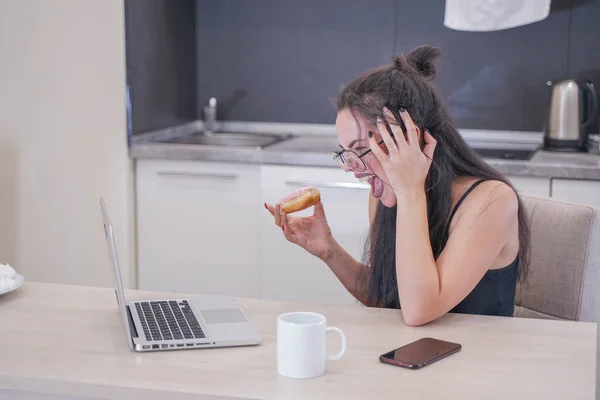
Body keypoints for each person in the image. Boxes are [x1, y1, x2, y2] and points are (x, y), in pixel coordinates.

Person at [265, 45, 530, 326]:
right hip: (412, 358)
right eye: (345, 154)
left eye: (360, 150)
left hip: (483, 363)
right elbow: (388, 300)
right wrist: (330, 251)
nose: (352, 168)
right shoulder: (383, 196)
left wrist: (410, 192)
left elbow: (419, 310)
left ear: (410, 137)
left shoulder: (491, 202)